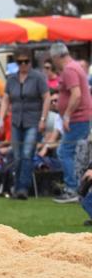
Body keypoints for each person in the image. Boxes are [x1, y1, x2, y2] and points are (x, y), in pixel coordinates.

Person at [1, 49, 49, 200]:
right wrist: (0, 118)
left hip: (33, 120)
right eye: (20, 62)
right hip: (16, 120)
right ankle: (16, 187)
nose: (23, 65)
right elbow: (5, 99)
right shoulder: (11, 79)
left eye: (26, 62)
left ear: (30, 62)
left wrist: (43, 119)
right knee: (16, 156)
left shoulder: (38, 77)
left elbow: (46, 98)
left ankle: (23, 188)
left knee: (27, 154)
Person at [49, 42, 91, 203]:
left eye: (53, 58)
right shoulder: (74, 67)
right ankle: (78, 188)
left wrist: (66, 115)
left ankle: (72, 188)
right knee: (77, 154)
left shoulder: (69, 69)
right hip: (81, 118)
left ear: (57, 56)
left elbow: (77, 95)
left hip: (77, 119)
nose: (53, 62)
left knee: (65, 152)